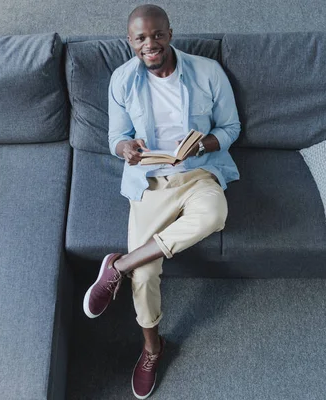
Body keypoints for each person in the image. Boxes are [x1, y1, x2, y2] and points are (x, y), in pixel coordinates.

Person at [83, 4, 240, 399]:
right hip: (151, 181)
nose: (149, 45)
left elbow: (232, 127)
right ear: (130, 42)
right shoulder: (122, 81)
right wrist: (126, 149)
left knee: (215, 213)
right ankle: (152, 347)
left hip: (199, 172)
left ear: (170, 33)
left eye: (156, 35)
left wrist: (206, 142)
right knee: (147, 276)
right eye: (140, 38)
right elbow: (115, 137)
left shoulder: (207, 72)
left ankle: (118, 266)